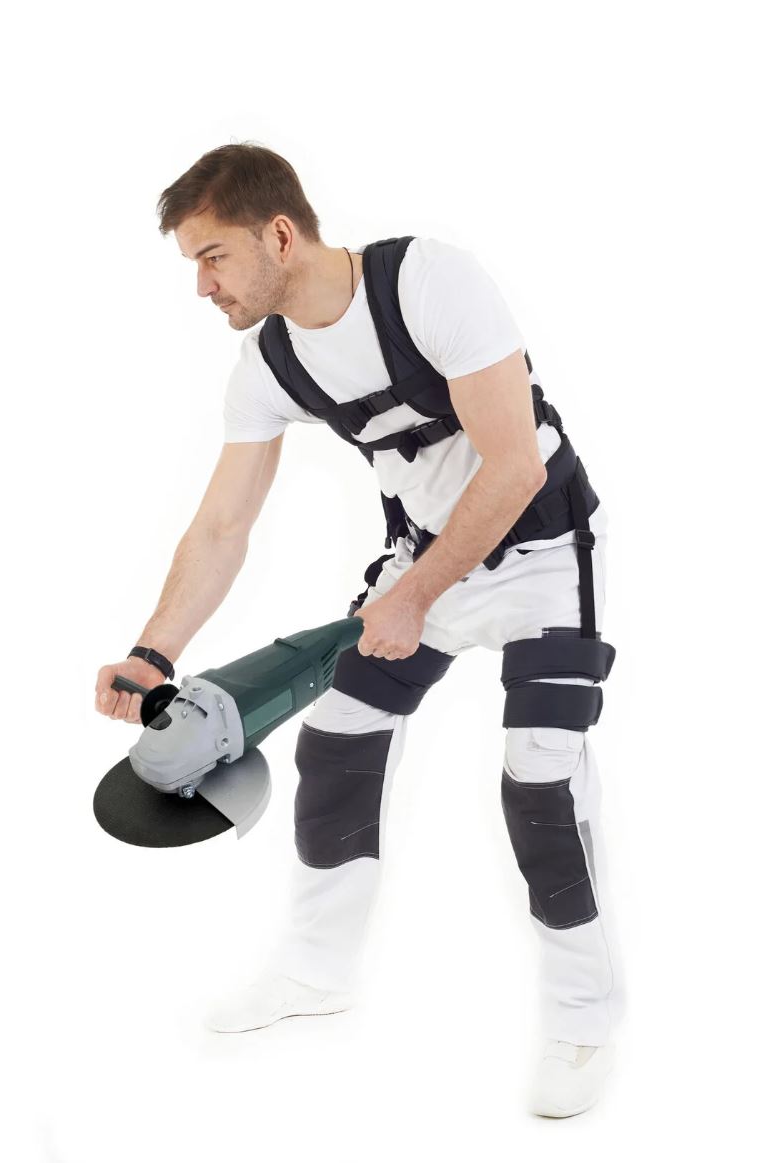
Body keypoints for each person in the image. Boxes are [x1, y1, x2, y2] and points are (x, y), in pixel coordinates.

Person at [94, 142, 625, 1118]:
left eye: (212, 256)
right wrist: (152, 650)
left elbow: (513, 467)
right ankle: (315, 968)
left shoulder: (428, 282)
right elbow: (222, 526)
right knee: (339, 737)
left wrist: (412, 596)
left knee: (541, 777)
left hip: (541, 553)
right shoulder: (269, 362)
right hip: (423, 564)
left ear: (278, 234)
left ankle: (585, 1015)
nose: (202, 286)